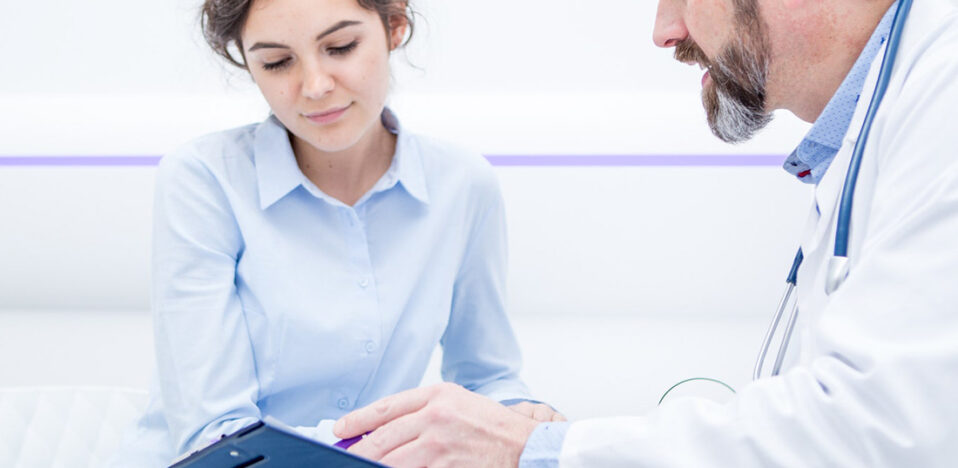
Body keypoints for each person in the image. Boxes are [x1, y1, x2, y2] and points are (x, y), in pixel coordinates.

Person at [333, 0, 958, 466]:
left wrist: (534, 449)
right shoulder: (872, 131)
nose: (665, 30)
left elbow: (887, 426)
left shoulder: (944, 90)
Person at [110, 0, 561, 465]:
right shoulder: (204, 180)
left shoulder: (462, 183)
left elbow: (488, 379)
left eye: (341, 47)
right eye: (276, 62)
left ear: (395, 25)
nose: (315, 86)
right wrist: (413, 437)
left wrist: (519, 417)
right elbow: (218, 437)